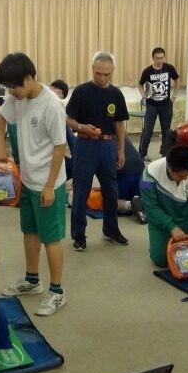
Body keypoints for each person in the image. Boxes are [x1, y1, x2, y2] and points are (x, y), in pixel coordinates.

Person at [0, 53, 68, 316]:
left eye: (14, 87)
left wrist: (49, 186)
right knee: (30, 232)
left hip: (48, 183)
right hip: (26, 179)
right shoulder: (17, 96)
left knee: (51, 238)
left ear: (29, 78)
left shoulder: (52, 106)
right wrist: (1, 145)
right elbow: (1, 118)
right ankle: (32, 280)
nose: (12, 94)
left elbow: (60, 148)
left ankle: (57, 292)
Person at [66, 52, 130, 251]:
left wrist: (121, 150)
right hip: (85, 145)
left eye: (106, 74)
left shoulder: (116, 94)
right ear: (92, 70)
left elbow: (119, 124)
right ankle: (79, 235)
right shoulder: (81, 92)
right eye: (98, 73)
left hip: (108, 146)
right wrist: (81, 127)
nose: (102, 78)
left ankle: (111, 229)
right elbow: (68, 119)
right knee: (81, 191)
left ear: (112, 72)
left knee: (111, 190)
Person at [140, 145, 188, 267]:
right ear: (169, 168)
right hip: (161, 220)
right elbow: (151, 208)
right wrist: (171, 226)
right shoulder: (150, 175)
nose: (186, 178)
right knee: (161, 261)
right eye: (181, 176)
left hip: (186, 218)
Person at [138, 47, 180, 161]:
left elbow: (177, 80)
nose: (160, 60)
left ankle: (165, 154)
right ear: (153, 58)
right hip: (152, 105)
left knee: (166, 131)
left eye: (161, 58)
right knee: (148, 131)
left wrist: (174, 96)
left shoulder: (169, 68)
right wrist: (143, 96)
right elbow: (140, 84)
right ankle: (142, 154)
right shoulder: (147, 71)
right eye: (157, 58)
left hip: (166, 104)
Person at [49, 79, 76, 180]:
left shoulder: (59, 111)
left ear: (61, 94)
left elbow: (71, 141)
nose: (51, 91)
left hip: (60, 158)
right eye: (51, 88)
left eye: (55, 89)